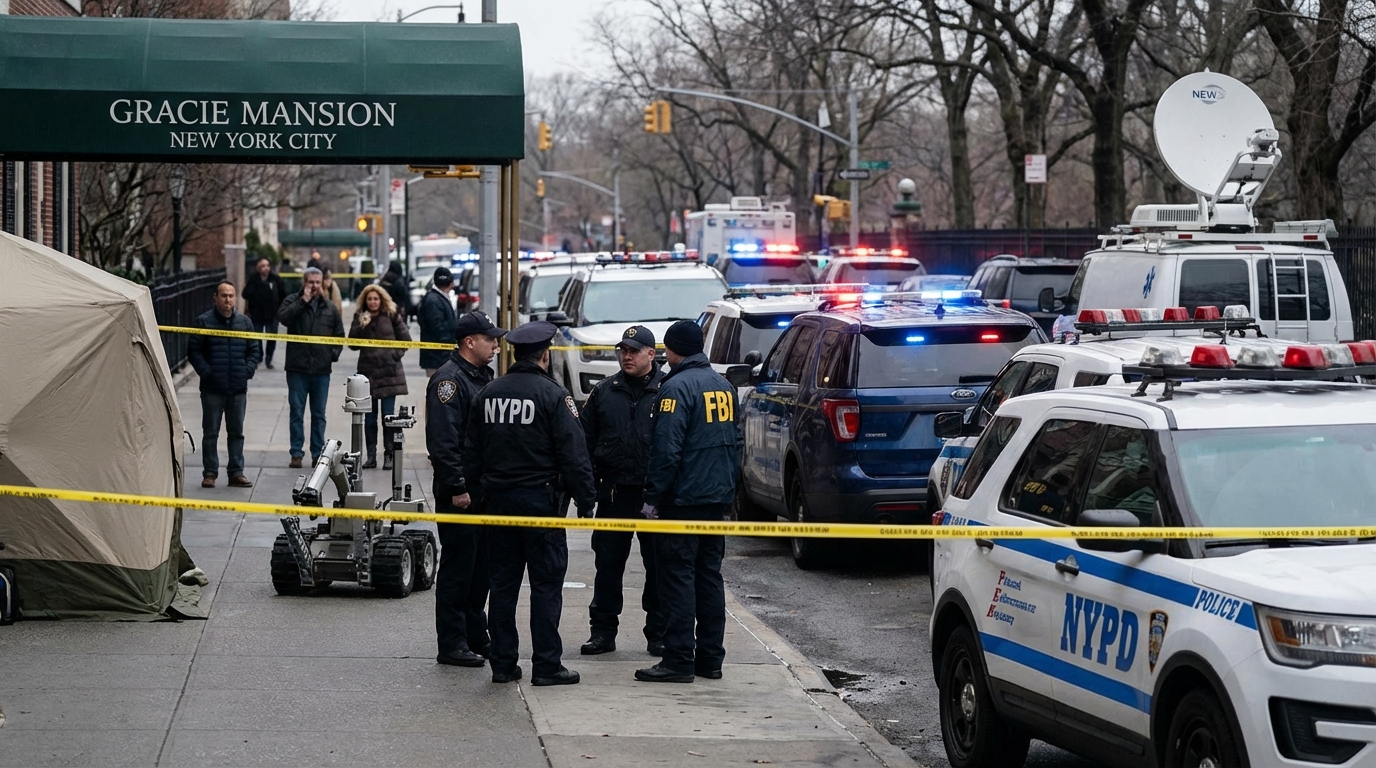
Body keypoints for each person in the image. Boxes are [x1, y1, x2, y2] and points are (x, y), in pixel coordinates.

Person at [464, 321, 596, 687]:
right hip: (542, 508)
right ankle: (547, 665)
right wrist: (586, 500)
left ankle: (504, 664)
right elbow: (574, 454)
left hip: (498, 508)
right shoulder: (554, 395)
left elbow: (471, 454)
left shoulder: (488, 393)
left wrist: (476, 496)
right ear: (544, 354)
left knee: (502, 588)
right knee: (546, 588)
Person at [635, 320, 741, 684]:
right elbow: (736, 443)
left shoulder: (675, 389)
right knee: (709, 577)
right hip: (716, 498)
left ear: (672, 349)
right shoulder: (724, 386)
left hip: (682, 500)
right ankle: (710, 659)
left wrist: (653, 498)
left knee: (677, 579)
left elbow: (666, 451)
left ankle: (678, 658)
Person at [578, 325, 666, 657]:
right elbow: (584, 443)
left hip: (652, 497)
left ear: (651, 354)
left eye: (633, 351)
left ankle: (658, 632)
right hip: (614, 493)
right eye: (622, 351)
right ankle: (602, 632)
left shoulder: (666, 392)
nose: (626, 357)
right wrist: (589, 488)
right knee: (608, 566)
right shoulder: (604, 391)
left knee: (658, 567)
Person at [426, 310, 507, 669]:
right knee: (459, 568)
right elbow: (443, 443)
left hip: (483, 488)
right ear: (470, 342)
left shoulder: (481, 376)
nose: (496, 345)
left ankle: (476, 633)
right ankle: (452, 641)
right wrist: (457, 486)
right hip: (460, 492)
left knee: (482, 568)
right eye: (490, 340)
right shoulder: (449, 382)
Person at [187, 281, 262, 488]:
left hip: (237, 388)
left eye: (231, 296)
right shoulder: (203, 322)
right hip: (212, 388)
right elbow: (194, 351)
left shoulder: (245, 323)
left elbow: (255, 350)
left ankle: (236, 471)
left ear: (235, 298)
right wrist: (207, 373)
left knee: (236, 432)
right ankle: (210, 472)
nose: (228, 299)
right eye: (223, 295)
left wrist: (246, 371)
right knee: (211, 432)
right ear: (215, 297)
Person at [278, 267, 346, 469]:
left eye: (317, 282)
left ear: (323, 283)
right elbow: (283, 318)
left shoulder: (329, 307)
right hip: (297, 368)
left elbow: (339, 334)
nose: (314, 286)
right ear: (304, 283)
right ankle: (296, 453)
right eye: (310, 282)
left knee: (319, 414)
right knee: (297, 412)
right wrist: (303, 302)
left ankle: (317, 453)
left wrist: (331, 355)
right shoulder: (293, 301)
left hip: (321, 370)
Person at [349, 284, 412, 469]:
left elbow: (405, 340)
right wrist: (362, 326)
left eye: (376, 298)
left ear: (381, 299)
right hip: (367, 374)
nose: (373, 302)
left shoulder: (391, 314)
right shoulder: (360, 317)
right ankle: (371, 455)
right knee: (369, 419)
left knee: (388, 417)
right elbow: (352, 343)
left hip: (389, 374)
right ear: (365, 301)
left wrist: (395, 355)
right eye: (370, 299)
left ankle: (389, 454)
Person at [240, 258, 284, 369]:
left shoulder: (275, 279)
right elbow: (245, 294)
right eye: (263, 266)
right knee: (256, 338)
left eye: (267, 265)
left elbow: (283, 294)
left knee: (271, 338)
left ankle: (269, 359)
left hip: (273, 314)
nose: (266, 268)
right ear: (258, 268)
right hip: (257, 314)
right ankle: (258, 358)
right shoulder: (253, 280)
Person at [418, 267, 458, 377]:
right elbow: (437, 329)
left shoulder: (435, 298)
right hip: (438, 357)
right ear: (451, 283)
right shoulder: (434, 300)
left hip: (439, 356)